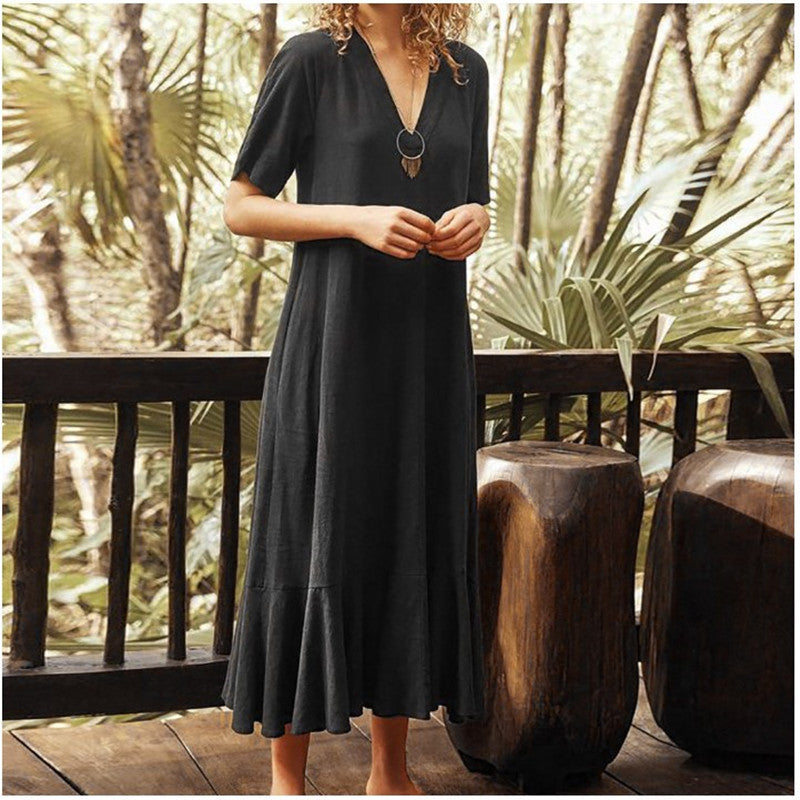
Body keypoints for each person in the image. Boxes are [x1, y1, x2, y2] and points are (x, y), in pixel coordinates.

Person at [221, 3, 491, 795]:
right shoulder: (312, 61)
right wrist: (353, 220)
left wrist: (475, 220)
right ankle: (288, 781)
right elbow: (242, 205)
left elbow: (471, 194)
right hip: (332, 344)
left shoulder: (466, 72)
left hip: (429, 349)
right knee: (311, 532)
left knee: (408, 529)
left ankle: (391, 775)